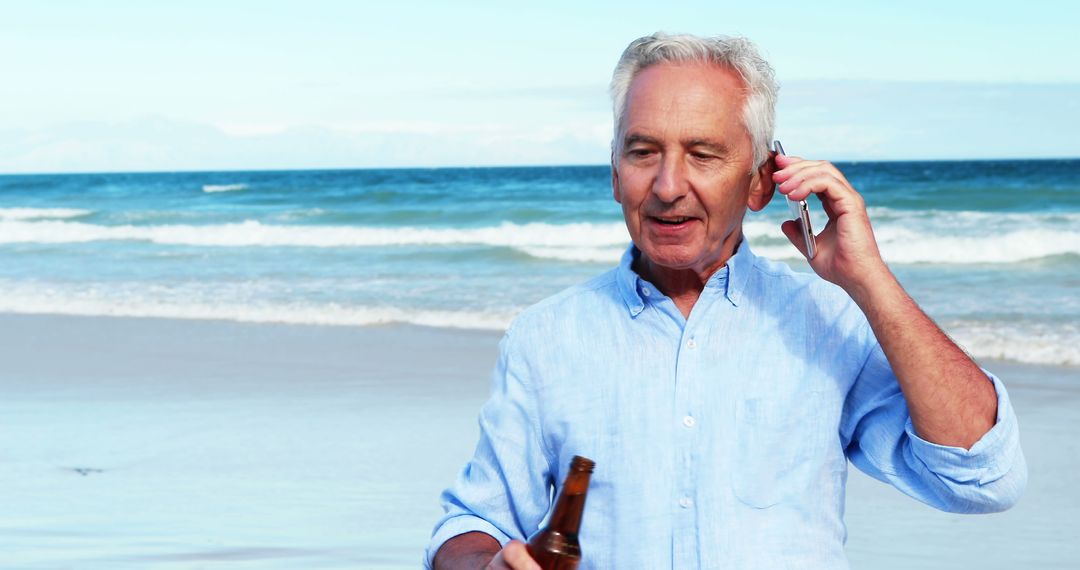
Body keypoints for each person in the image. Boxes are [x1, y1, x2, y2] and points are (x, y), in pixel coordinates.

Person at [426, 32, 1026, 569]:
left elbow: (981, 480)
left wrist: (870, 281)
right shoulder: (545, 336)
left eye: (703, 154)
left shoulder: (825, 321)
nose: (666, 186)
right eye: (642, 152)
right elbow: (471, 525)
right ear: (614, 174)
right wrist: (485, 567)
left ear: (763, 180)